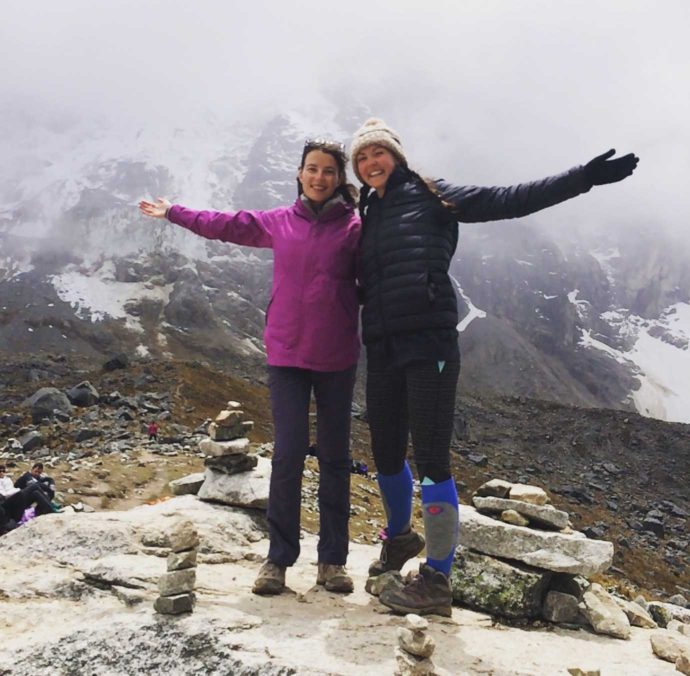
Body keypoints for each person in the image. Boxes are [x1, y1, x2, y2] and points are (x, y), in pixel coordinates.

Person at [350, 118, 639, 616]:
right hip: (382, 346)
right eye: (361, 158)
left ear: (396, 156)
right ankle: (398, 540)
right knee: (386, 453)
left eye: (379, 153)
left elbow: (509, 198)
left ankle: (437, 579)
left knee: (433, 458)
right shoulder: (366, 210)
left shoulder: (433, 194)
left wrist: (582, 177)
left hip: (431, 341)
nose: (370, 163)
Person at [139, 139, 361, 595]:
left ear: (340, 179)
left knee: (336, 459)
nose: (319, 178)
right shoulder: (280, 222)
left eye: (328, 171)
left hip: (337, 356)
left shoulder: (357, 228)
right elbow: (226, 225)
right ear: (299, 174)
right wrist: (175, 212)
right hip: (287, 356)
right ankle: (278, 560)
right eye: (312, 169)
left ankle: (333, 562)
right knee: (288, 454)